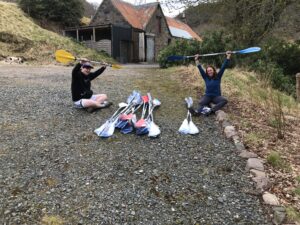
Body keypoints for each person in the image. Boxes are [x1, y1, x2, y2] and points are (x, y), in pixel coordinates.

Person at [189, 51, 232, 116]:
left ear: (213, 71)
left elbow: (223, 66)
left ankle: (211, 110)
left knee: (224, 101)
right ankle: (197, 113)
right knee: (201, 102)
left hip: (216, 96)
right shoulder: (205, 77)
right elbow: (200, 68)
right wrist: (196, 59)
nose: (209, 72)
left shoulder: (218, 76)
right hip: (207, 96)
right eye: (208, 71)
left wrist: (228, 56)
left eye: (210, 70)